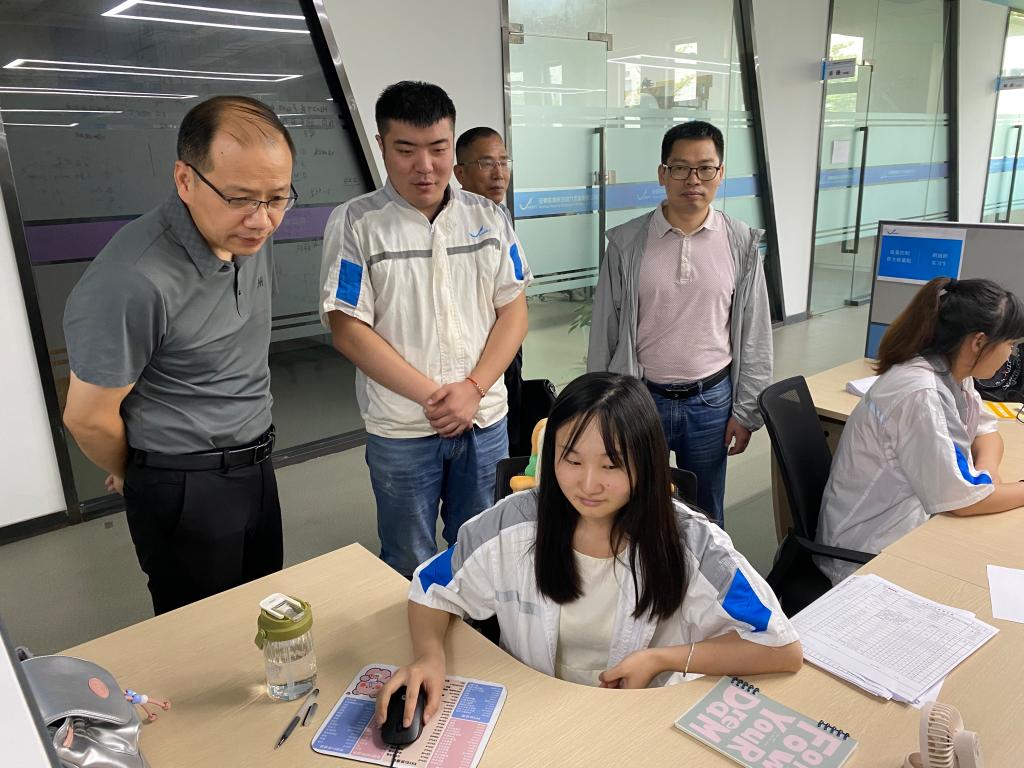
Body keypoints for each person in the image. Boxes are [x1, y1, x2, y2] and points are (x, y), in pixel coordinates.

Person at [374, 372, 802, 728]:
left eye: (611, 465)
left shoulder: (693, 543)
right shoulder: (512, 523)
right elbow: (431, 588)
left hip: (640, 719)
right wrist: (429, 657)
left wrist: (661, 659)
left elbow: (781, 648)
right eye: (572, 460)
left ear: (646, 462)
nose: (588, 484)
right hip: (533, 712)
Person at [62, 96, 295, 614]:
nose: (262, 220)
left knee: (264, 613)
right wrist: (140, 471)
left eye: (277, 198)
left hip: (257, 464)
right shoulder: (131, 280)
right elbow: (87, 418)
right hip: (184, 484)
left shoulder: (249, 236)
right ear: (185, 179)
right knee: (202, 630)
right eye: (240, 198)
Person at [319, 82, 530, 579]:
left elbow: (514, 313)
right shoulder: (356, 223)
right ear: (381, 146)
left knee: (481, 550)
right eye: (406, 150)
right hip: (403, 429)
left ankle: (473, 628)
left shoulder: (489, 217)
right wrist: (437, 398)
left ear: (452, 144)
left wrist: (472, 389)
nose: (425, 166)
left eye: (438, 149)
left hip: (484, 420)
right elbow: (348, 329)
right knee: (406, 557)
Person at [587, 121, 772, 526]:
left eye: (705, 168)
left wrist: (746, 411)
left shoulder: (740, 243)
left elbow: (756, 334)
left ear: (720, 173)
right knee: (634, 507)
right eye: (681, 168)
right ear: (662, 173)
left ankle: (702, 568)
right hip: (641, 399)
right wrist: (600, 407)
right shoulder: (627, 243)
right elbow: (605, 332)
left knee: (705, 514)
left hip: (711, 402)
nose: (693, 179)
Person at [817, 277, 1024, 585]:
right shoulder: (921, 392)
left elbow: (986, 431)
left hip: (912, 522)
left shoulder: (953, 373)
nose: (1011, 355)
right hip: (868, 553)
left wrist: (987, 470)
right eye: (1010, 345)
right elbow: (963, 500)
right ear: (978, 342)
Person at [454, 126, 524, 452]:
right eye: (486, 163)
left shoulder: (501, 214)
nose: (499, 173)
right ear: (460, 173)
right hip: (474, 351)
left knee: (511, 418)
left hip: (507, 339)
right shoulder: (452, 224)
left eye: (503, 162)